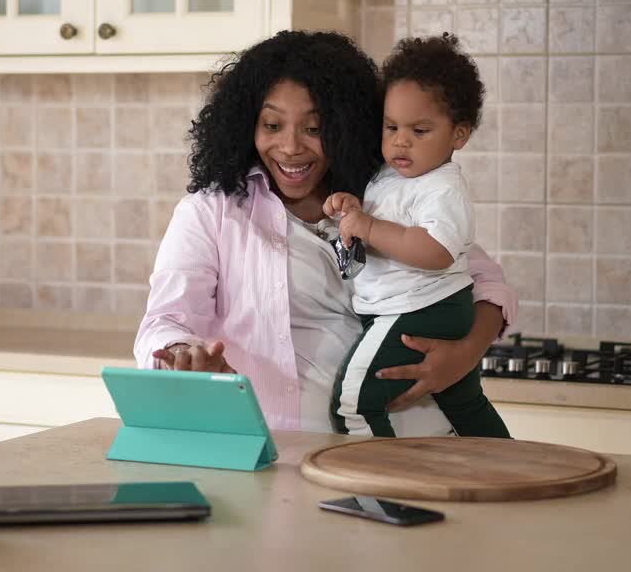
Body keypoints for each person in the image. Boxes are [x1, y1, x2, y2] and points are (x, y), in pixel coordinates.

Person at [132, 30, 517, 435]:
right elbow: (165, 320)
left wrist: (465, 354)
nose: (290, 146)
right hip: (283, 458)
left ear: (344, 126)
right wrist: (183, 355)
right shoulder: (213, 212)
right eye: (272, 124)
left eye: (313, 129)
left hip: (421, 452)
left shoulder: (383, 194)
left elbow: (486, 281)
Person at [323, 34, 509, 438]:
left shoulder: (443, 189)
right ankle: (508, 466)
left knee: (352, 405)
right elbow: (387, 218)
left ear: (459, 135)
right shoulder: (394, 176)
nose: (400, 140)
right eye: (391, 127)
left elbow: (436, 250)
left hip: (421, 307)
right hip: (425, 304)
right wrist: (354, 208)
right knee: (465, 403)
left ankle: (379, 493)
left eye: (419, 130)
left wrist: (370, 228)